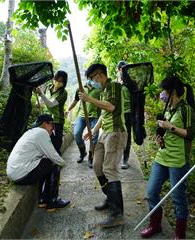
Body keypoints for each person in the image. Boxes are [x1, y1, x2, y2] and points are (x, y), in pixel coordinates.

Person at [140, 76, 195, 239]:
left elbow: (190, 134)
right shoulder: (168, 108)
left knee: (178, 197)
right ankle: (155, 225)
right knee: (151, 192)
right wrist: (161, 138)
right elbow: (167, 132)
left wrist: (169, 127)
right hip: (162, 156)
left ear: (172, 91)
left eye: (164, 90)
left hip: (178, 160)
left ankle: (179, 235)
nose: (162, 94)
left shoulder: (185, 109)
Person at [79, 63, 127, 228]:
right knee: (97, 166)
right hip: (104, 133)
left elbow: (111, 107)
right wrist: (93, 129)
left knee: (109, 169)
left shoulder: (113, 86)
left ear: (99, 75)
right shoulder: (103, 91)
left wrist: (88, 98)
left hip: (115, 132)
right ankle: (110, 198)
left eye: (92, 79)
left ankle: (117, 213)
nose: (92, 83)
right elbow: (104, 113)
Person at [6, 114, 70, 209]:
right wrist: (64, 165)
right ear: (44, 124)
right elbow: (53, 155)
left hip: (14, 173)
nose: (53, 128)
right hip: (21, 174)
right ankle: (53, 201)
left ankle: (43, 200)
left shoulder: (30, 132)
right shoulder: (41, 133)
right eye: (52, 125)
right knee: (53, 163)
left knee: (46, 163)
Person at [35, 70, 68, 208]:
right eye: (57, 79)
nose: (58, 82)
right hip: (45, 124)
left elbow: (52, 104)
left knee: (54, 156)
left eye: (61, 81)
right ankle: (46, 198)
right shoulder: (49, 87)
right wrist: (40, 102)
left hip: (57, 124)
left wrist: (41, 95)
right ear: (54, 78)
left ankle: (50, 197)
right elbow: (45, 103)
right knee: (46, 157)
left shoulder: (63, 93)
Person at [65, 78, 101, 168]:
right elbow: (75, 100)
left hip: (94, 116)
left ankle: (91, 157)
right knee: (76, 133)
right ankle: (82, 152)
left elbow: (101, 102)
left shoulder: (99, 89)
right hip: (82, 115)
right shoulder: (81, 88)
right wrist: (68, 110)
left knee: (94, 137)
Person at [116, 61, 132, 169]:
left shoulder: (131, 83)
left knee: (127, 136)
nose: (122, 71)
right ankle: (118, 156)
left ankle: (125, 159)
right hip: (117, 113)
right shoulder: (115, 83)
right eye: (120, 69)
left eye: (124, 69)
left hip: (128, 113)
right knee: (117, 135)